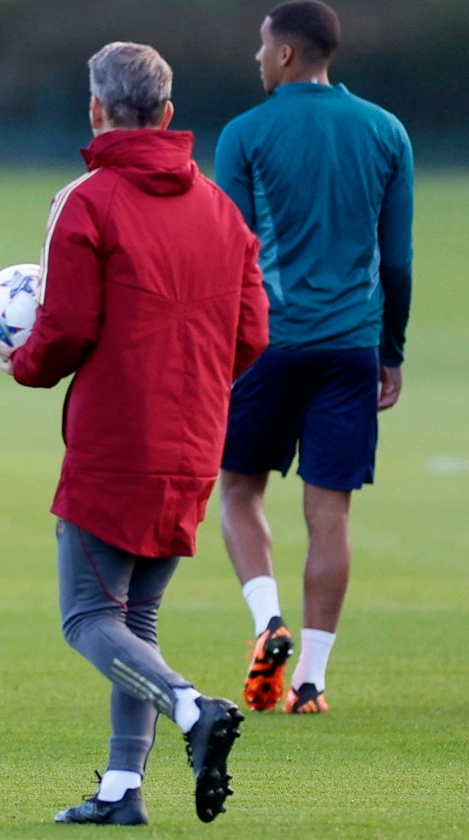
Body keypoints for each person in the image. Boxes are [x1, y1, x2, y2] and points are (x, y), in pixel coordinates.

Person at [0, 42, 269, 826]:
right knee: (135, 619)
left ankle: (190, 709)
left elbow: (68, 326)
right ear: (169, 115)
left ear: (95, 110)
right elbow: (251, 333)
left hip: (116, 444)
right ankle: (121, 790)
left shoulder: (90, 200)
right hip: (195, 443)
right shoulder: (221, 208)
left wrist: (22, 363)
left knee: (87, 617)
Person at [215, 1, 413, 715]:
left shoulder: (246, 134)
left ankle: (269, 622)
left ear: (288, 55)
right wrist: (388, 349)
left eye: (262, 47)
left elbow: (233, 250)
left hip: (267, 342)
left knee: (239, 490)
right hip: (351, 345)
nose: (257, 58)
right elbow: (398, 260)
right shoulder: (387, 131)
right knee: (330, 516)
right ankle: (312, 682)